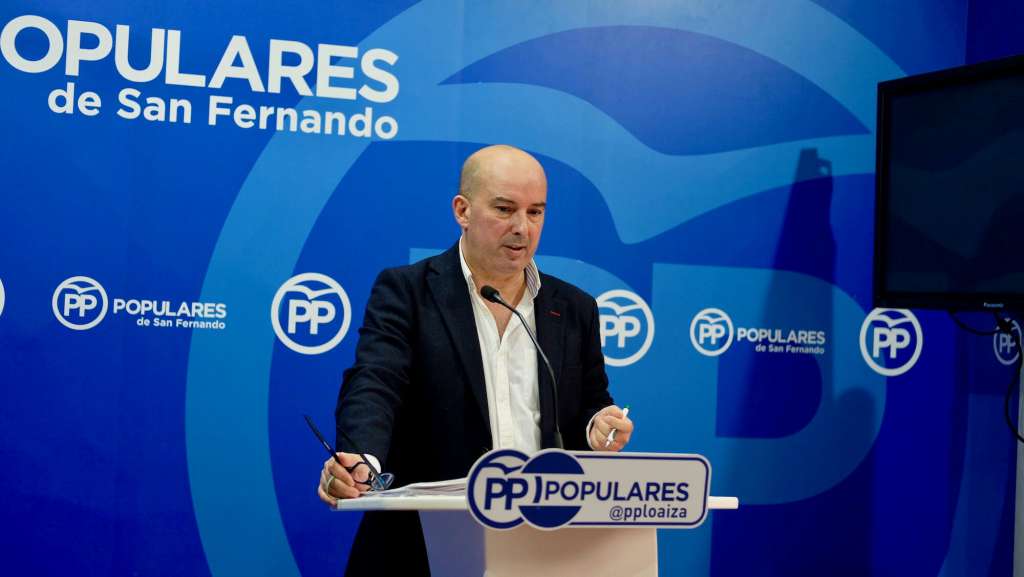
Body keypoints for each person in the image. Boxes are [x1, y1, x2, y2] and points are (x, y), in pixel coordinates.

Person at [317, 144, 633, 575]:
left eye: (536, 212)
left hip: (543, 547)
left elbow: (591, 404)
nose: (522, 228)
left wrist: (598, 427)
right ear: (462, 211)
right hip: (425, 546)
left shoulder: (575, 308)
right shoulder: (408, 292)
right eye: (505, 209)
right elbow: (376, 382)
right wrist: (362, 459)